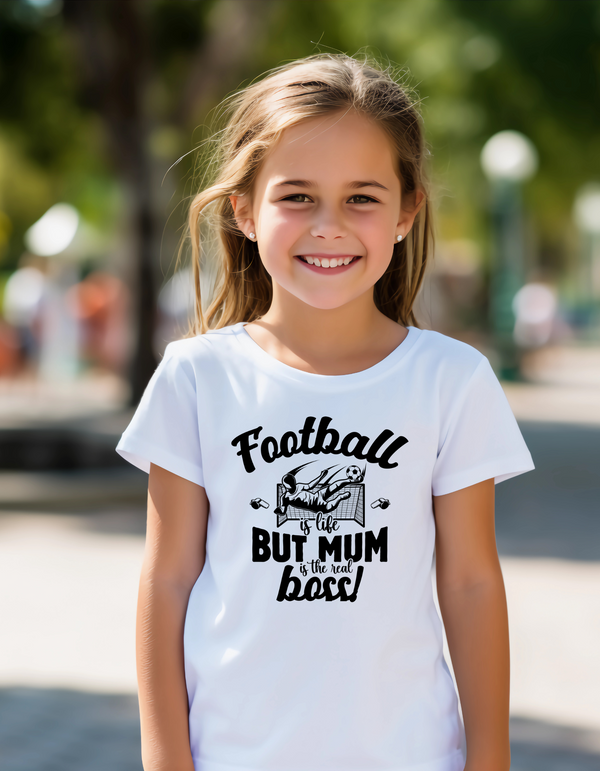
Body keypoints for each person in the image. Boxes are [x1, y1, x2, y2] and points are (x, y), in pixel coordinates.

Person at [117, 53, 535, 771]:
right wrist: (167, 760)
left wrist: (489, 757)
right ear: (244, 210)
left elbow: (470, 581)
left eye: (362, 198)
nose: (329, 226)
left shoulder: (452, 380)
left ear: (406, 212)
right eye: (298, 196)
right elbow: (167, 580)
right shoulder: (196, 378)